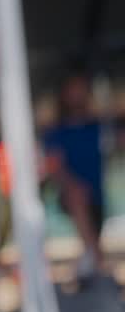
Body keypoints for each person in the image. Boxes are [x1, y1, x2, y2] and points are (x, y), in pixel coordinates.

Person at [41, 69, 107, 276]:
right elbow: (54, 166)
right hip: (72, 194)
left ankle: (92, 259)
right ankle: (94, 257)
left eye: (81, 90)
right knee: (77, 197)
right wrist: (72, 185)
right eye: (72, 90)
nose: (77, 94)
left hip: (97, 195)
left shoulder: (97, 126)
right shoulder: (56, 131)